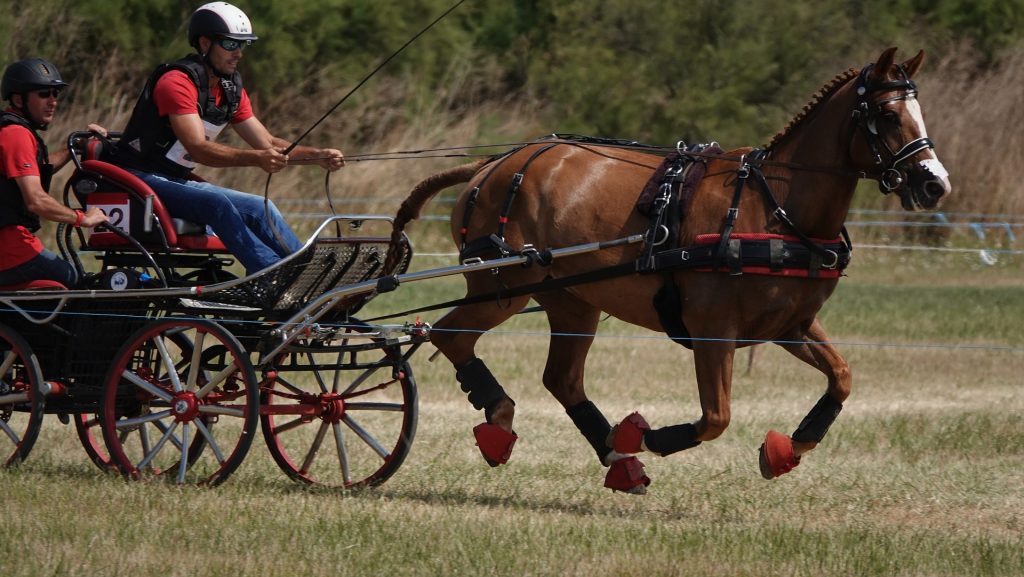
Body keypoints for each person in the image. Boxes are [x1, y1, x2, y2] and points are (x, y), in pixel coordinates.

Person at [113, 1, 345, 274]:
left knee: (262, 208)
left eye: (242, 45)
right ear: (204, 43)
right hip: (140, 178)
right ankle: (271, 278)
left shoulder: (230, 87)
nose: (239, 54)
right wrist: (257, 159)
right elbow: (199, 149)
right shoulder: (177, 82)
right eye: (230, 44)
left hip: (176, 178)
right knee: (217, 205)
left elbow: (267, 144)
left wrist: (316, 156)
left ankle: (309, 276)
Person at [0, 58, 109, 288]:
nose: (53, 102)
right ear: (19, 99)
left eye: (55, 94)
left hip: (11, 245)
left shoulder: (15, 130)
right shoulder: (15, 134)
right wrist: (83, 219)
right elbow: (36, 200)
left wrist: (76, 146)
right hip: (9, 248)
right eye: (44, 94)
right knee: (75, 282)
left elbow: (39, 169)